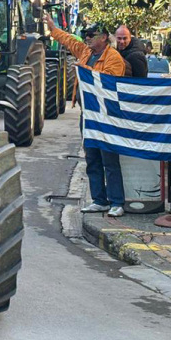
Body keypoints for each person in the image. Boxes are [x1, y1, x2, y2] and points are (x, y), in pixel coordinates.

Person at [44, 15, 128, 217]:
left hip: (106, 115)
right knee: (92, 158)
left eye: (91, 35)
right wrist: (54, 29)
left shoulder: (113, 58)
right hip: (88, 115)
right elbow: (69, 40)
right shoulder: (85, 51)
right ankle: (99, 200)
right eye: (86, 35)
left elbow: (109, 83)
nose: (87, 38)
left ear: (104, 37)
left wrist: (86, 70)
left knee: (109, 159)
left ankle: (117, 202)